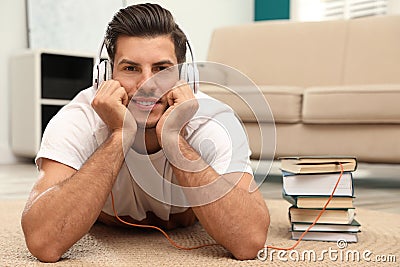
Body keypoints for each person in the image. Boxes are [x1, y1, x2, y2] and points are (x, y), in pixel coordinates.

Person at [21, 3, 270, 262]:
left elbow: (249, 242)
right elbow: (44, 242)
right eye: (130, 68)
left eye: (162, 69)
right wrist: (120, 135)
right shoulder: (79, 119)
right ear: (106, 74)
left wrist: (174, 138)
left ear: (186, 77)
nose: (146, 85)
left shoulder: (214, 121)